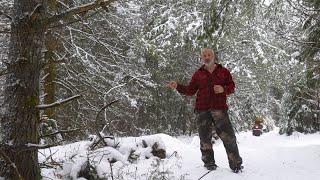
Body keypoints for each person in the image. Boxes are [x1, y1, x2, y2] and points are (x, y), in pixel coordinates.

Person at [167, 48, 243, 173]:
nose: (206, 57)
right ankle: (209, 164)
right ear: (202, 58)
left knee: (229, 138)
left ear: (213, 57)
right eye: (204, 55)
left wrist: (223, 89)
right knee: (204, 139)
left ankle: (236, 165)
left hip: (220, 110)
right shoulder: (198, 74)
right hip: (202, 110)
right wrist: (178, 86)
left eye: (209, 55)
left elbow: (232, 87)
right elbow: (190, 90)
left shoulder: (223, 72)